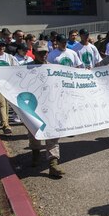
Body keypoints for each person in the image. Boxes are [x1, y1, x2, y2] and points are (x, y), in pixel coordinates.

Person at [27, 40, 65, 177]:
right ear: (34, 53)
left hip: (50, 108)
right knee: (34, 134)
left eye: (45, 52)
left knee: (53, 135)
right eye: (40, 53)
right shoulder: (26, 69)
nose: (43, 55)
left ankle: (53, 164)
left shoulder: (53, 69)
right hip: (34, 108)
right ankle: (35, 153)